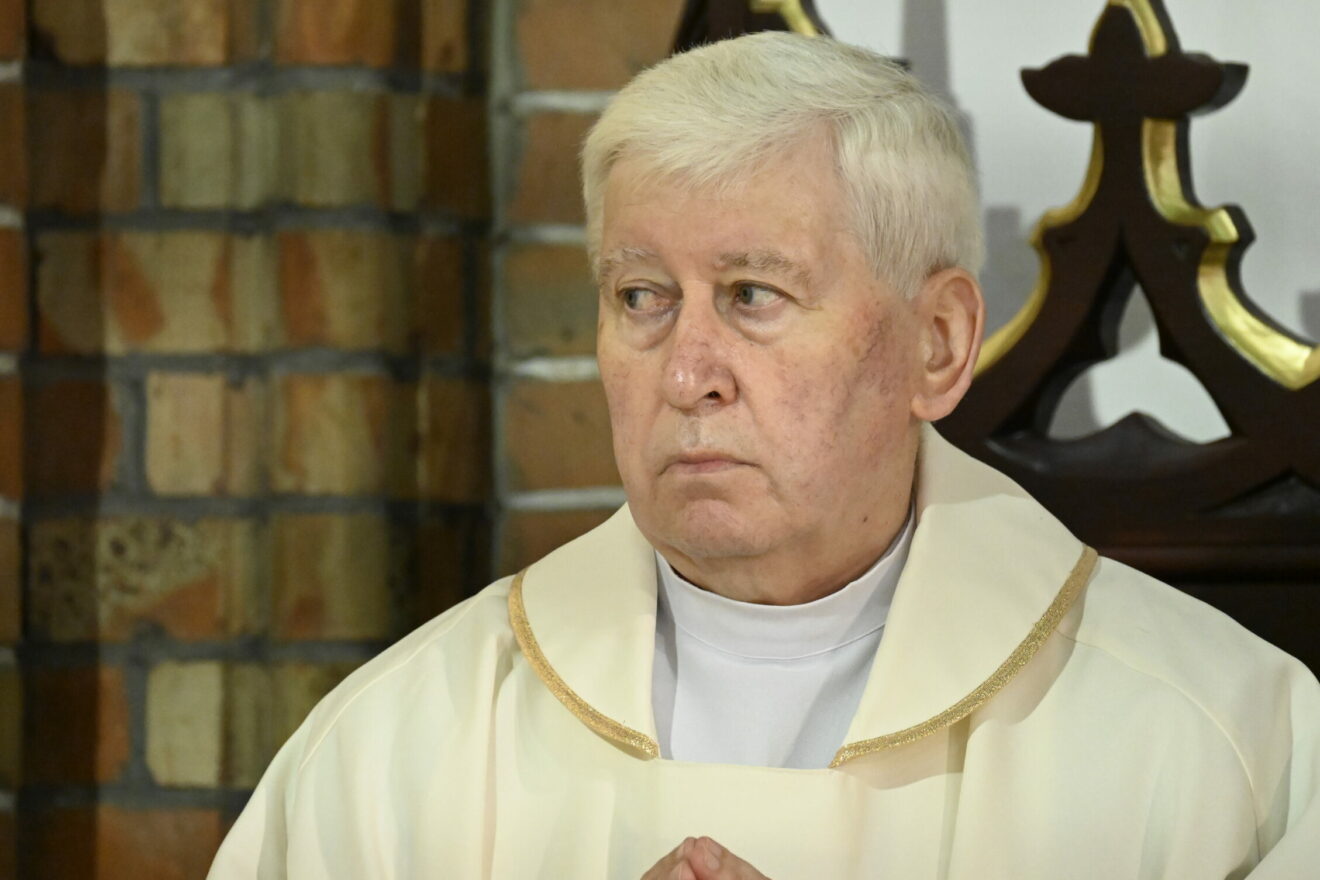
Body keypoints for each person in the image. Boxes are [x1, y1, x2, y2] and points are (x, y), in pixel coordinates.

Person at [208, 32, 1320, 879]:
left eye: (752, 294)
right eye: (642, 297)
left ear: (936, 344)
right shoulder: (403, 747)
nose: (687, 371)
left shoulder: (1218, 744)